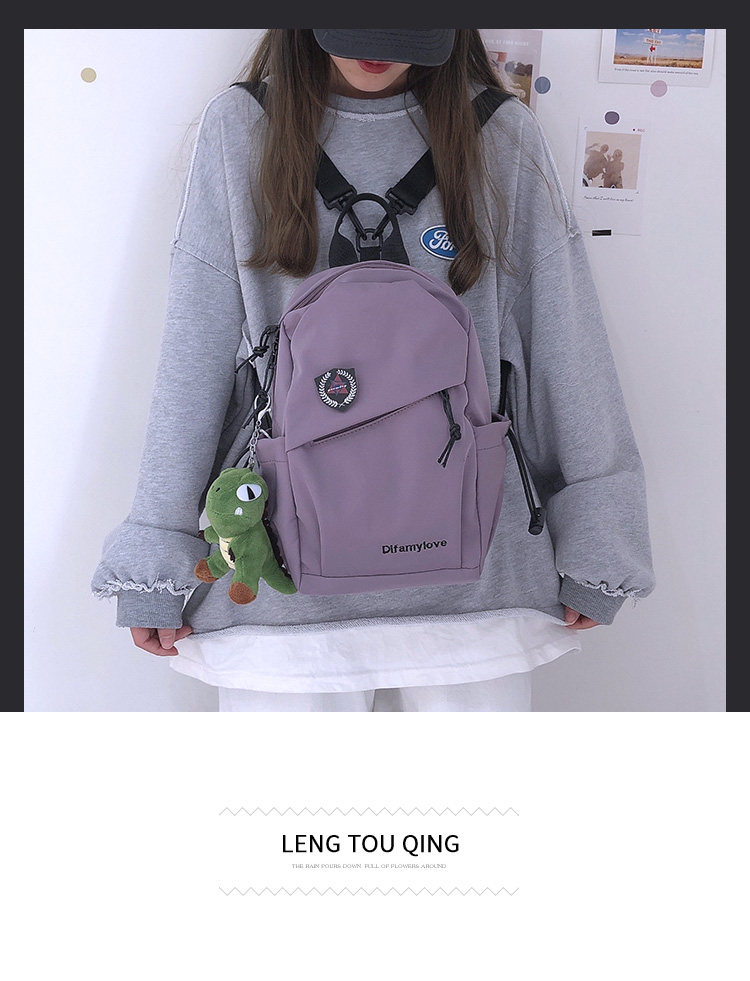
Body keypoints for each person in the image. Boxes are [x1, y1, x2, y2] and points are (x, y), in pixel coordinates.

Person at [91, 29, 655, 712]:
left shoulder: (500, 135)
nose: (377, 47)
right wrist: (158, 554)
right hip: (288, 600)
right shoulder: (241, 129)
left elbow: (563, 343)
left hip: (473, 596)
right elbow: (194, 353)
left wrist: (601, 545)